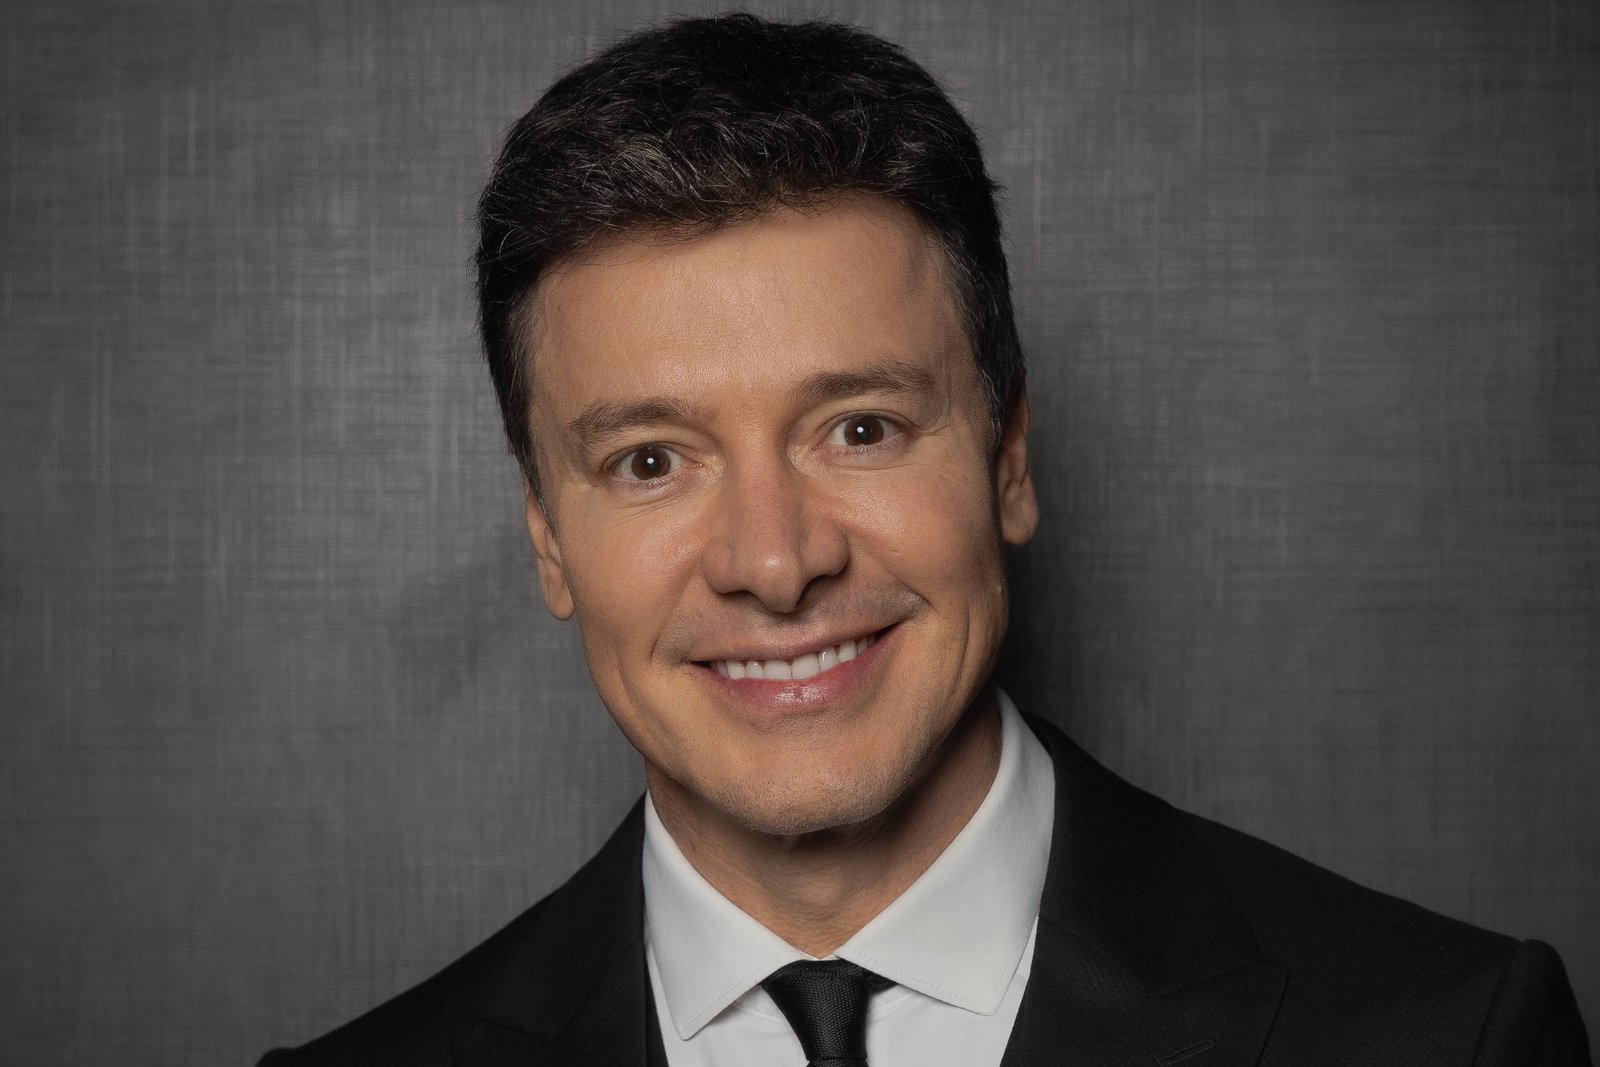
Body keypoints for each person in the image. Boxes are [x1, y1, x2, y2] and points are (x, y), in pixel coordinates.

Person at [258, 13, 1590, 1066]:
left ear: (1007, 460)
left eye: (861, 429)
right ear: (549, 538)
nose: (776, 564)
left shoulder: (1451, 1035)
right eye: (651, 461)